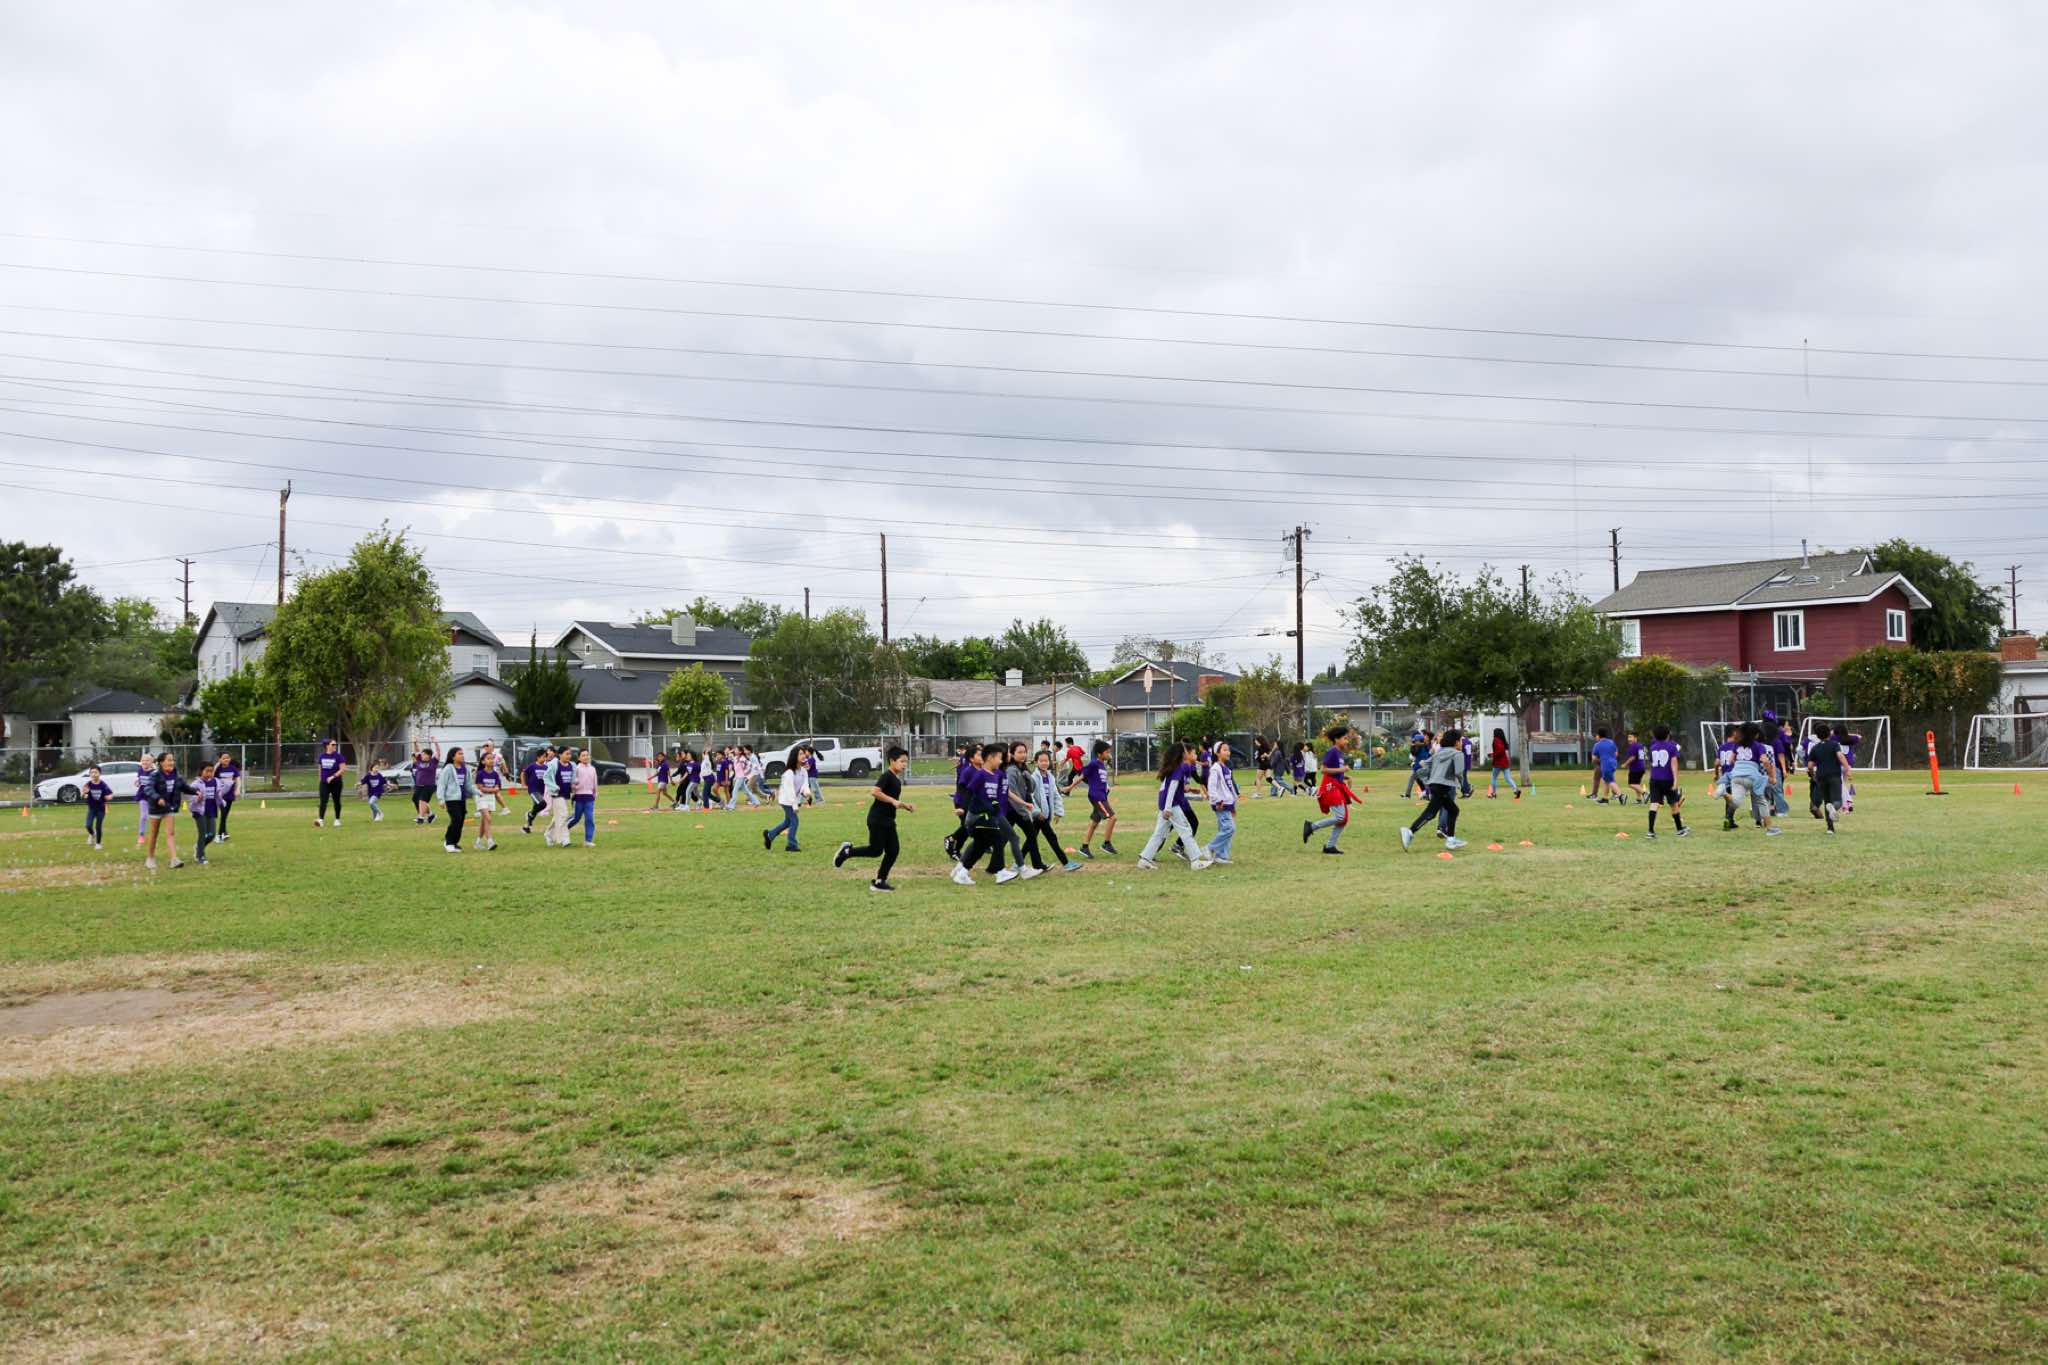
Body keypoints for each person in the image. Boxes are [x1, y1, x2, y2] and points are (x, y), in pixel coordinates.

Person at [835, 746, 914, 891]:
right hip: (878, 819)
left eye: (906, 762)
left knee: (892, 850)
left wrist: (905, 806)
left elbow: (893, 801)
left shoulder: (896, 780)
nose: (904, 765)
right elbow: (875, 792)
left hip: (888, 819)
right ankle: (847, 852)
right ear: (892, 761)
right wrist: (893, 801)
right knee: (875, 850)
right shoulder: (887, 776)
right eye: (902, 761)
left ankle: (879, 881)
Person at [1137, 742, 1212, 871]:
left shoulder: (1175, 767)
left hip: (1165, 803)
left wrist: (1195, 796)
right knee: (1186, 830)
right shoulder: (1179, 768)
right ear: (1182, 754)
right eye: (1186, 751)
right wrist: (1168, 808)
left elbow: (1176, 791)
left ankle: (1144, 860)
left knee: (1159, 833)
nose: (1188, 753)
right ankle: (1196, 861)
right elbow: (1172, 788)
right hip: (1170, 805)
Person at [952, 747, 1011, 885]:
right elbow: (969, 792)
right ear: (990, 758)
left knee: (980, 846)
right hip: (977, 816)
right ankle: (1000, 872)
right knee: (999, 838)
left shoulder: (995, 775)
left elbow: (993, 798)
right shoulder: (980, 775)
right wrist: (962, 808)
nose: (1001, 761)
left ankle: (962, 874)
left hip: (987, 815)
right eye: (999, 758)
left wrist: (997, 810)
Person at [1402, 727, 1468, 851]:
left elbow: (1424, 764)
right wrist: (1463, 786)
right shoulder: (1458, 754)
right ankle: (1409, 831)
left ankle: (1451, 839)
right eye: (1460, 740)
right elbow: (1459, 772)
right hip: (1443, 786)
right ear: (1456, 742)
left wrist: (1424, 778)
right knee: (1431, 813)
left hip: (1434, 785)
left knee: (1453, 810)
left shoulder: (1439, 753)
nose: (1462, 743)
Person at [1718, 722, 1782, 837]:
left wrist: (1738, 767)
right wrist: (1771, 776)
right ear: (1756, 735)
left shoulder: (1736, 745)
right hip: (1752, 776)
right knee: (1761, 801)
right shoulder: (1758, 746)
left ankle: (1724, 793)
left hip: (1736, 776)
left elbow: (1731, 760)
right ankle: (1770, 828)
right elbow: (1765, 761)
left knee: (1736, 801)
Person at [1025, 747, 1082, 872]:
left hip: (1046, 814)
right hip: (1039, 815)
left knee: (1031, 838)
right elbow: (1030, 796)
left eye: (1046, 760)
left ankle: (1018, 863)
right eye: (1041, 761)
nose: (1044, 763)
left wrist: (1058, 812)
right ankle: (1066, 863)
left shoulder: (1050, 777)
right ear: (1036, 762)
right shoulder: (1033, 778)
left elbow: (1056, 795)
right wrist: (1036, 811)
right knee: (1052, 838)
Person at [1303, 725, 1358, 854]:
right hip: (1330, 787)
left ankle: (1329, 846)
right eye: (1344, 738)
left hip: (1337, 786)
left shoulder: (1340, 753)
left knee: (1343, 819)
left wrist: (1345, 777)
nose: (1347, 741)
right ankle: (1311, 826)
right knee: (1340, 816)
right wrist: (1342, 769)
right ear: (1336, 739)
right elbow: (1323, 770)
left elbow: (1336, 772)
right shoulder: (1332, 751)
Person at [1068, 739, 1117, 858]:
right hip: (1097, 796)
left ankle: (1084, 847)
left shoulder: (1102, 764)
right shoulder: (1094, 763)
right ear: (1099, 754)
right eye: (1107, 752)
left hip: (1102, 796)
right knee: (1112, 818)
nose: (1109, 754)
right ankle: (1106, 844)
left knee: (1094, 822)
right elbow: (1082, 776)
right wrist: (1070, 787)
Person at [141, 752, 187, 871]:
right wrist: (158, 798)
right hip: (156, 809)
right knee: (154, 834)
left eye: (173, 760)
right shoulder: (155, 775)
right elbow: (148, 788)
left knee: (170, 833)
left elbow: (184, 787)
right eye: (169, 760)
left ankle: (174, 860)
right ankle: (150, 859)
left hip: (168, 808)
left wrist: (196, 791)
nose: (172, 762)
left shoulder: (176, 775)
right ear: (161, 762)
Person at [1643, 725, 1688, 839]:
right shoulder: (1671, 747)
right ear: (1668, 735)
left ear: (1655, 736)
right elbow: (1674, 764)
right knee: (1673, 804)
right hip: (1667, 779)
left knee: (1654, 804)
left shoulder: (1652, 748)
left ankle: (1650, 831)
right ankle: (1679, 830)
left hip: (1655, 779)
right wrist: (1676, 781)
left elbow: (1651, 764)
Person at [763, 745, 806, 852]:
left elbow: (804, 785)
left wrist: (806, 793)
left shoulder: (803, 771)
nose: (804, 755)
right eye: (800, 754)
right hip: (786, 800)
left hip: (793, 799)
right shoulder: (789, 773)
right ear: (795, 757)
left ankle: (770, 835)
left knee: (787, 822)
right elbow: (790, 791)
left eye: (803, 753)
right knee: (795, 821)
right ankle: (791, 845)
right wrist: (795, 805)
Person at [1806, 725, 1848, 834]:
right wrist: (1847, 768)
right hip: (1834, 775)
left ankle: (1830, 828)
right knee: (1837, 801)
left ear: (1817, 736)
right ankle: (1833, 808)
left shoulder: (1815, 748)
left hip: (1821, 777)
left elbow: (1810, 765)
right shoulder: (1834, 745)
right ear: (1829, 734)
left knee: (1827, 801)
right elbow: (1840, 756)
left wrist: (1813, 775)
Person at [1205, 739, 1241, 864]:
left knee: (1225, 829)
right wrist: (1217, 801)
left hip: (1228, 804)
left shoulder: (1226, 768)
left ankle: (1221, 856)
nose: (1228, 752)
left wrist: (1233, 804)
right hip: (1221, 804)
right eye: (1225, 750)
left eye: (1228, 750)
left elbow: (1229, 788)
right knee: (1229, 829)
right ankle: (1209, 847)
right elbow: (1211, 787)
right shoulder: (1215, 768)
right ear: (1217, 753)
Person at [436, 746, 476, 852]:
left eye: (462, 753)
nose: (462, 755)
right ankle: (449, 843)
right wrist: (441, 799)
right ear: (453, 757)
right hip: (451, 799)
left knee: (461, 821)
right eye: (459, 754)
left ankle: (454, 842)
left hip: (462, 799)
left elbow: (468, 785)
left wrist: (478, 793)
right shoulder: (448, 769)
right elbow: (441, 784)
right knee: (456, 820)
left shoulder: (464, 769)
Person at [474, 751, 506, 850]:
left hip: (490, 798)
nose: (491, 760)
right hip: (481, 797)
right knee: (488, 818)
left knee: (484, 821)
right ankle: (490, 842)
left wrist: (494, 789)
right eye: (488, 758)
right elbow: (481, 788)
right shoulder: (480, 774)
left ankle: (478, 842)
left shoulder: (495, 774)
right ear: (483, 761)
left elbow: (497, 787)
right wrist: (493, 790)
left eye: (492, 758)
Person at [189, 761, 220, 865]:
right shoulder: (196, 784)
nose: (209, 774)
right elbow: (191, 798)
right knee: (203, 834)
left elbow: (218, 794)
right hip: (199, 812)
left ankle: (198, 847)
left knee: (211, 834)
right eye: (207, 771)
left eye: (211, 771)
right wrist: (197, 798)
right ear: (201, 771)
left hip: (211, 811)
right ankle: (200, 856)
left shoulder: (215, 782)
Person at [547, 747, 576, 846]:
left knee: (558, 816)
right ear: (560, 755)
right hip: (557, 795)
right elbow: (547, 778)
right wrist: (554, 787)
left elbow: (572, 780)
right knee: (564, 814)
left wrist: (573, 787)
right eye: (566, 754)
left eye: (570, 754)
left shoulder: (572, 765)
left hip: (566, 794)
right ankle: (565, 839)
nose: (569, 756)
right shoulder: (554, 765)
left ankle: (549, 833)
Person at [570, 749, 598, 846]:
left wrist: (595, 793)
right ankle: (560, 832)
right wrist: (574, 787)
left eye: (587, 755)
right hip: (578, 797)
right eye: (583, 755)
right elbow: (572, 782)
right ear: (579, 758)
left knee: (589, 818)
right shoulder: (576, 769)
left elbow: (595, 783)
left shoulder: (593, 769)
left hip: (589, 797)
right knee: (576, 818)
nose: (586, 757)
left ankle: (588, 841)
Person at [521, 747, 552, 834]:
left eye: (545, 757)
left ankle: (526, 827)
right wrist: (523, 784)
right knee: (542, 804)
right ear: (538, 757)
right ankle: (530, 814)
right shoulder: (532, 766)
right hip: (533, 790)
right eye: (543, 757)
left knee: (538, 807)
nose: (544, 759)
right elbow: (523, 773)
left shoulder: (546, 767)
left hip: (541, 791)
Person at [82, 764, 112, 850]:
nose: (93, 774)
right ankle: (92, 834)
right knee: (88, 825)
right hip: (91, 808)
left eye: (95, 772)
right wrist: (84, 795)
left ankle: (98, 844)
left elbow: (110, 794)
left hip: (101, 808)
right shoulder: (88, 785)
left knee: (98, 826)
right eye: (92, 772)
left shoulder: (103, 784)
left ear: (100, 773)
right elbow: (83, 795)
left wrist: (109, 797)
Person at [1487, 728, 1521, 799]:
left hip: (1498, 763)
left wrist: (1492, 755)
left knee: (1494, 778)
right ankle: (1516, 789)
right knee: (1508, 778)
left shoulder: (1496, 740)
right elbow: (1502, 750)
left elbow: (1500, 750)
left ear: (1496, 733)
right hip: (1505, 762)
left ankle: (1493, 793)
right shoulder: (1502, 740)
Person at [410, 741, 439, 824]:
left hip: (428, 786)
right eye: (422, 754)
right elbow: (417, 751)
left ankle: (421, 818)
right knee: (415, 799)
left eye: (424, 754)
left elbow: (438, 752)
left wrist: (436, 743)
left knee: (422, 800)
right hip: (418, 785)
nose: (421, 755)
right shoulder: (420, 760)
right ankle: (431, 815)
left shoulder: (433, 762)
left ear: (428, 755)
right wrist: (415, 743)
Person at [214, 751, 241, 840]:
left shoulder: (233, 768)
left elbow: (238, 779)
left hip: (229, 795)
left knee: (225, 815)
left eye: (228, 758)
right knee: (223, 814)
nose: (226, 759)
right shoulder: (218, 769)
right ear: (220, 759)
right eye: (224, 758)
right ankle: (220, 834)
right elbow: (211, 775)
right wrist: (217, 764)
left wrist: (237, 789)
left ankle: (224, 833)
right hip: (220, 795)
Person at [1589, 728, 1620, 804]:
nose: (1596, 737)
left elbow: (1593, 759)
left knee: (1609, 780)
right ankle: (1605, 799)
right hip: (1613, 763)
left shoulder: (1597, 745)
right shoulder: (1611, 742)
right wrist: (1611, 758)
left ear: (1599, 735)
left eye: (1596, 735)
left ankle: (1621, 795)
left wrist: (1601, 759)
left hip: (1605, 764)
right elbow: (1616, 754)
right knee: (1606, 780)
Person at [1619, 730, 1648, 804]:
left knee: (1631, 784)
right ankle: (1639, 799)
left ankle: (1645, 793)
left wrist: (1625, 764)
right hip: (1641, 767)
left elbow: (1633, 757)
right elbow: (1643, 757)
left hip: (1636, 768)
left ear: (1635, 738)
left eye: (1630, 737)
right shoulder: (1640, 745)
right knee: (1636, 783)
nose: (1629, 739)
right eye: (1628, 737)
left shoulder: (1633, 746)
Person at [1403, 730, 1431, 800]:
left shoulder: (1418, 747)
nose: (1414, 741)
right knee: (1424, 781)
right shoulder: (1426, 746)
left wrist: (1413, 745)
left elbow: (1413, 753)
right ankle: (1427, 795)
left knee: (1424, 781)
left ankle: (1408, 795)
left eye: (1415, 740)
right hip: (1425, 767)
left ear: (1419, 741)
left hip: (1419, 768)